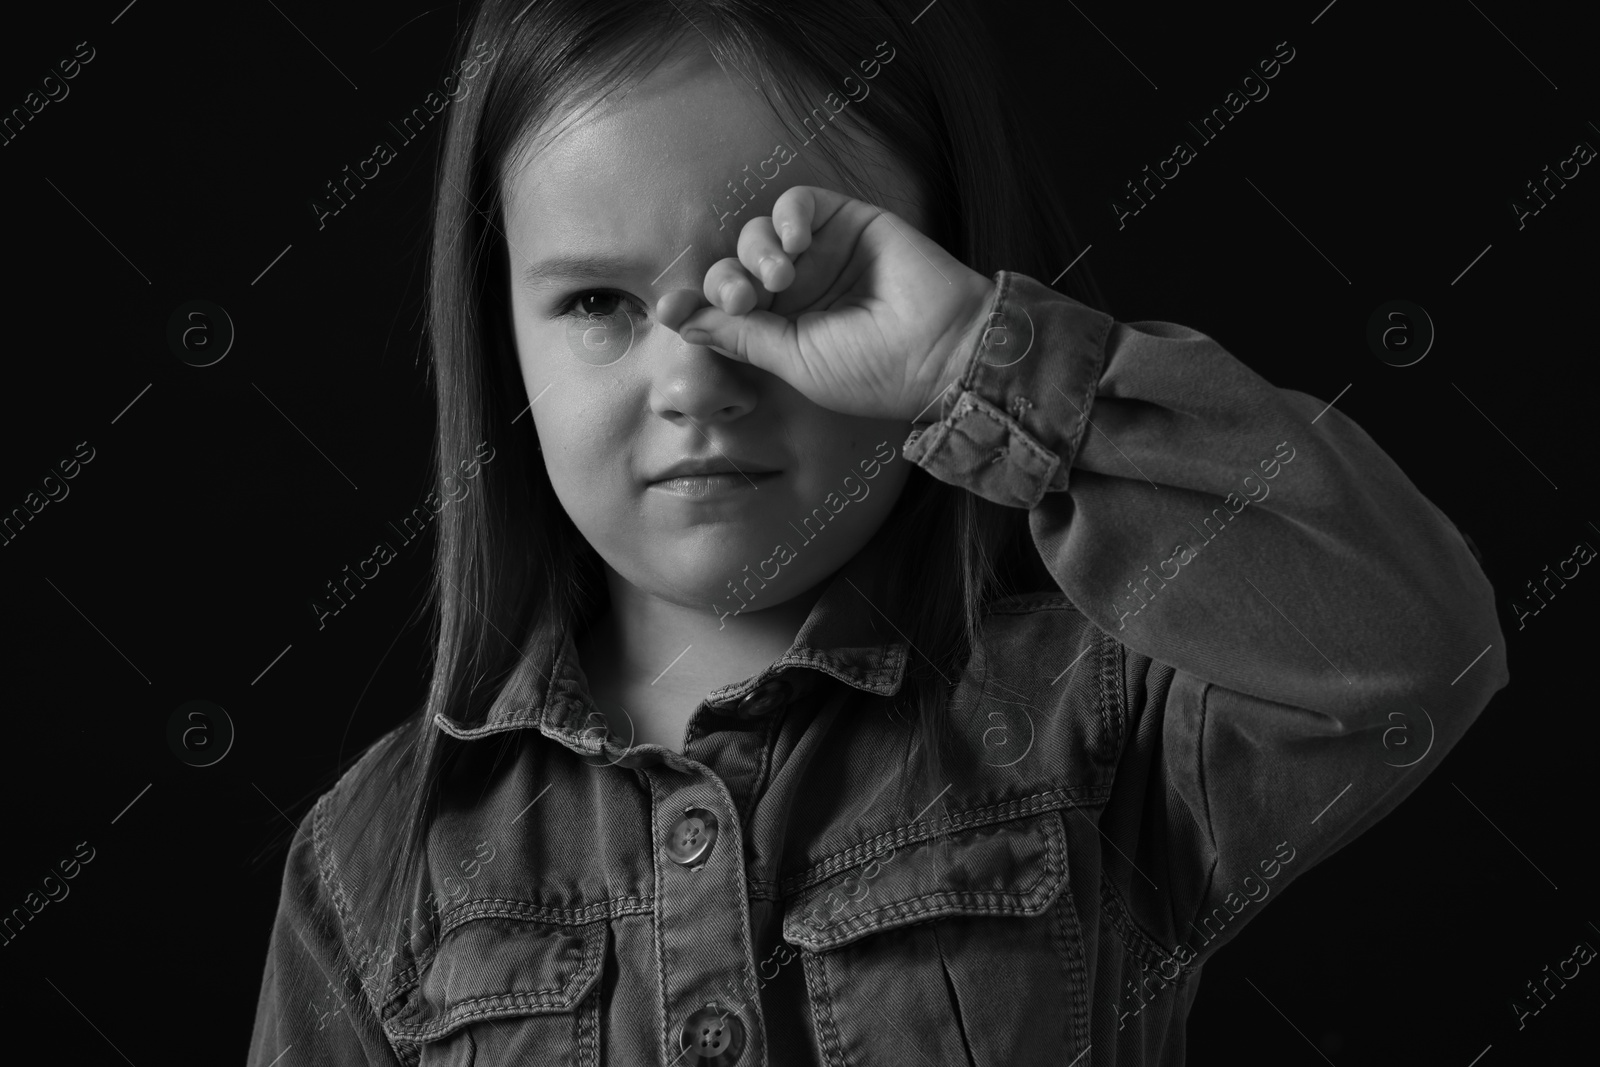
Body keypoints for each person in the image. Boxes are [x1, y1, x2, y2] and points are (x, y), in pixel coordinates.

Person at [247, 1, 1508, 1063]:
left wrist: (977, 357)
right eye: (594, 301)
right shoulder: (379, 864)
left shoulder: (1094, 722)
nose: (691, 377)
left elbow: (1414, 650)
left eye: (775, 284)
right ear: (498, 330)